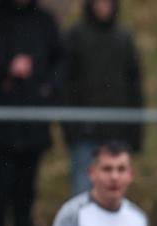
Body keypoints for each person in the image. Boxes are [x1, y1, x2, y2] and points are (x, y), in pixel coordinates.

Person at [0, 0, 62, 226]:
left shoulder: (44, 21)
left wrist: (45, 88)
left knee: (26, 192)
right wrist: (6, 68)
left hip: (32, 126)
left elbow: (59, 63)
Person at [63, 0, 144, 196]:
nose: (103, 6)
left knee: (114, 194)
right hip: (84, 133)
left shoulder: (123, 38)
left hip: (117, 133)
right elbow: (66, 84)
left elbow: (134, 86)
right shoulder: (75, 36)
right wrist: (71, 128)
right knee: (82, 193)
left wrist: (135, 132)